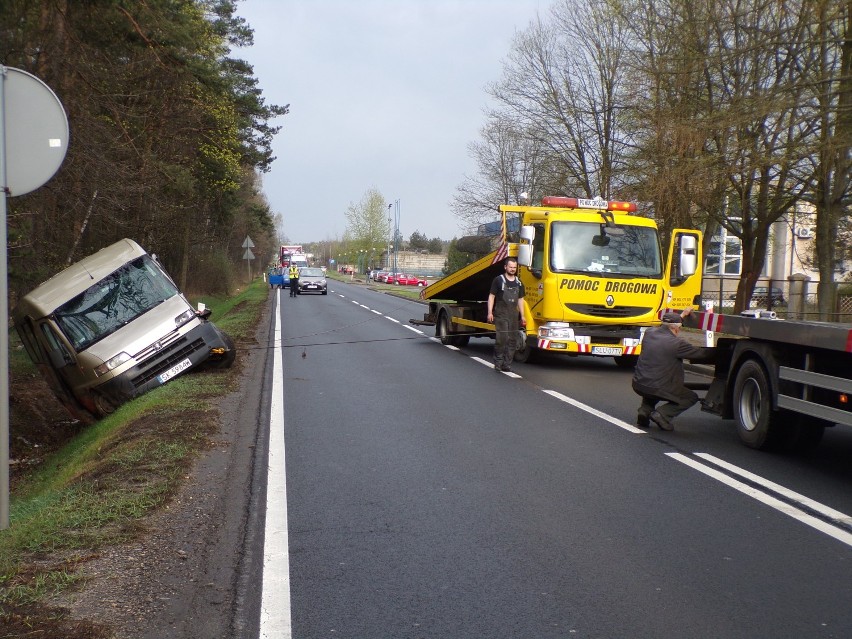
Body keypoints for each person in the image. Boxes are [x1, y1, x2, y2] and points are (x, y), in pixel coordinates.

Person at [632, 307, 713, 431]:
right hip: (658, 386)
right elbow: (702, 354)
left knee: (652, 381)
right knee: (690, 397)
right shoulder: (677, 344)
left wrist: (682, 315)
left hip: (639, 384)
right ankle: (663, 415)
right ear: (676, 328)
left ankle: (645, 410)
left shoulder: (649, 333)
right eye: (679, 328)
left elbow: (670, 323)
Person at [486, 257, 526, 372]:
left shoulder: (519, 283)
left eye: (514, 267)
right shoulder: (498, 280)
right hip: (501, 314)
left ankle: (507, 364)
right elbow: (491, 296)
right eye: (510, 267)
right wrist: (490, 312)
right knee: (502, 339)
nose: (513, 269)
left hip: (513, 314)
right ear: (505, 267)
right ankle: (498, 362)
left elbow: (521, 300)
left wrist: (522, 316)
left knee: (513, 340)